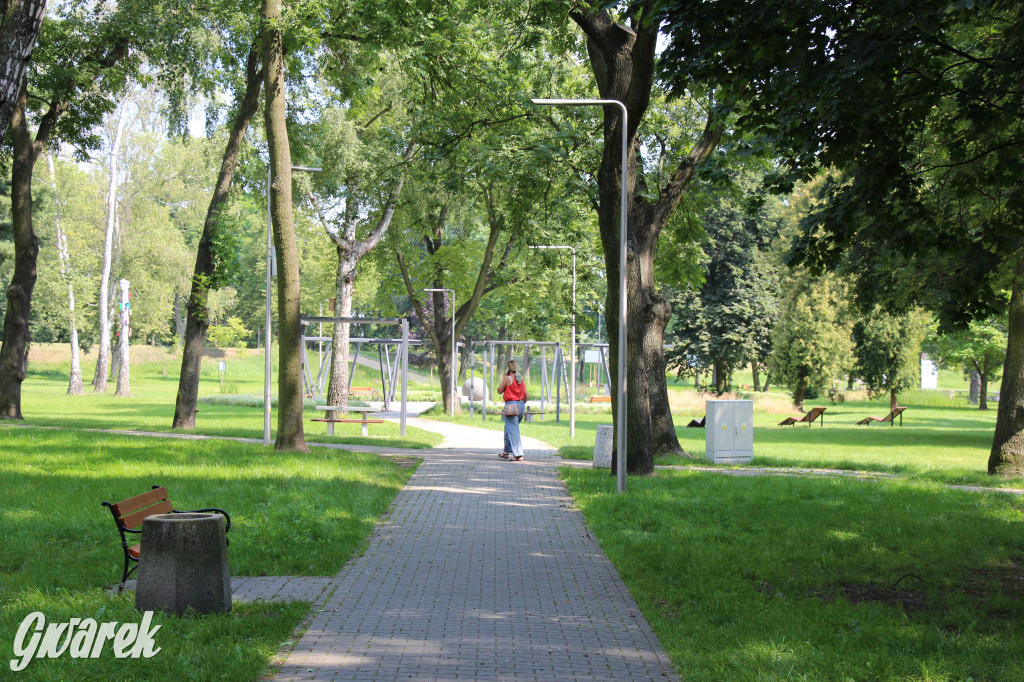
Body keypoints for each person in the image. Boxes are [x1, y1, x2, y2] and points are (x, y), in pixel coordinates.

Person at [497, 360, 527, 461]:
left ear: (508, 369)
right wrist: (521, 404)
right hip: (521, 405)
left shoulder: (508, 378)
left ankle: (518, 454)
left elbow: (499, 390)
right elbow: (526, 395)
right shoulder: (520, 380)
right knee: (509, 428)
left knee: (513, 430)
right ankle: (506, 451)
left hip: (511, 406)